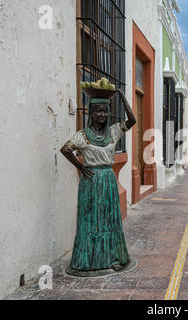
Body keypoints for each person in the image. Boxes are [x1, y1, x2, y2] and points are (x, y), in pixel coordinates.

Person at [60, 90, 136, 275]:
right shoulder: (82, 135)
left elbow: (132, 120)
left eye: (105, 111)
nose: (102, 115)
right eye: (98, 111)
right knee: (89, 221)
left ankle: (113, 258)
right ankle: (86, 261)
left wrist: (122, 97)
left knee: (110, 221)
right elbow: (65, 149)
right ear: (91, 113)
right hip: (91, 181)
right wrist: (80, 166)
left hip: (108, 180)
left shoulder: (113, 131)